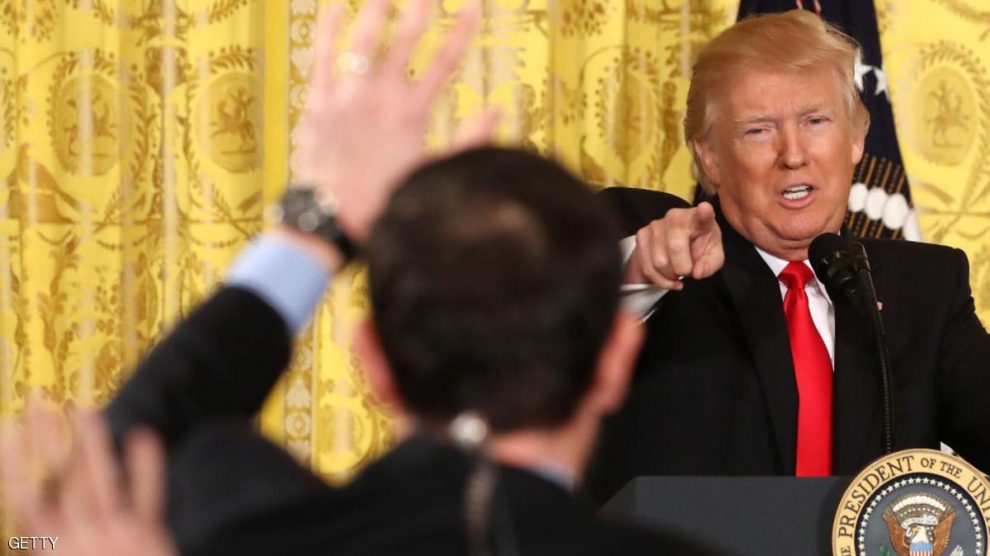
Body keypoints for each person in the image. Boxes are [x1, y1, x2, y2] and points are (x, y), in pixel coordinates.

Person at [0, 2, 720, 555]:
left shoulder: (242, 525)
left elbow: (124, 463)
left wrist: (318, 225)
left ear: (373, 360)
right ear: (615, 360)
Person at [585, 9, 990, 503]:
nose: (793, 154)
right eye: (759, 130)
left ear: (856, 138)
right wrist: (641, 269)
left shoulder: (924, 289)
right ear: (710, 155)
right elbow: (552, 329)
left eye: (815, 121)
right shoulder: (657, 243)